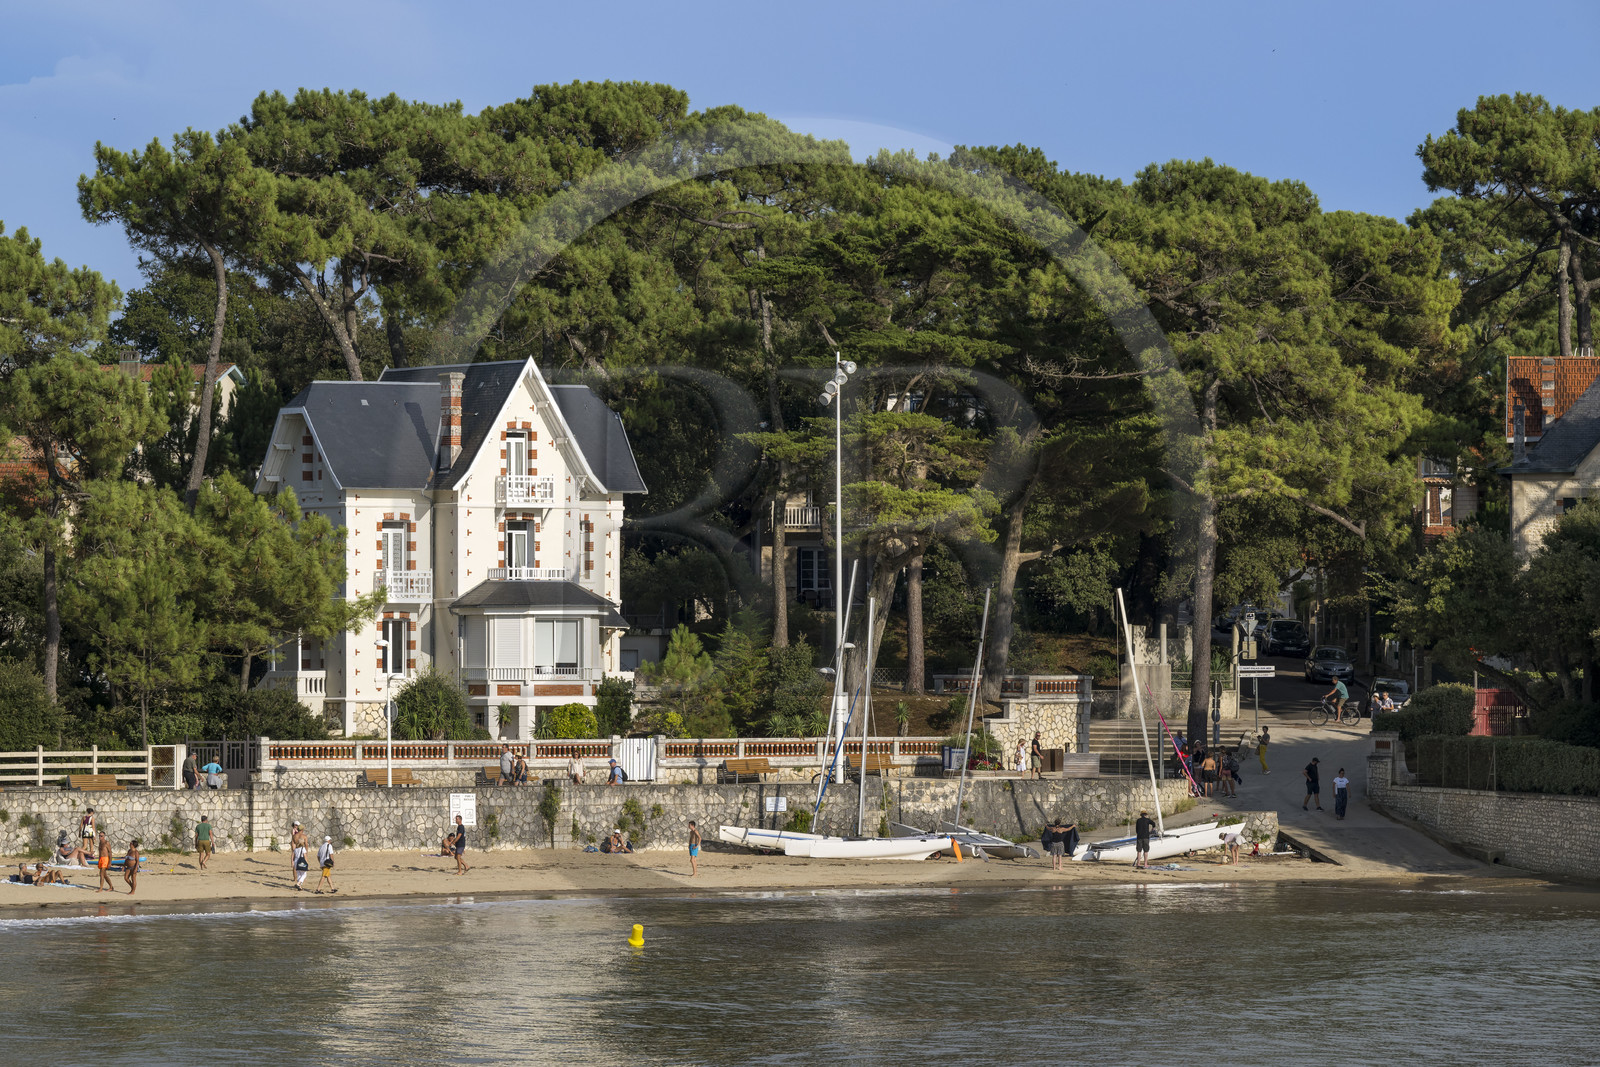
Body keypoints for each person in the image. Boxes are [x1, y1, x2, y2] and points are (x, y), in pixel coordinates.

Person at [290, 822, 310, 890]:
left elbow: (293, 846)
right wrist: (306, 853)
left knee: (298, 873)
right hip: (301, 858)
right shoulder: (304, 836)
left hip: (296, 857)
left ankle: (299, 886)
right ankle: (298, 883)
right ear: (302, 830)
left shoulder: (294, 836)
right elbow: (306, 845)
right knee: (304, 874)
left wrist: (292, 861)